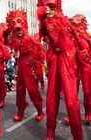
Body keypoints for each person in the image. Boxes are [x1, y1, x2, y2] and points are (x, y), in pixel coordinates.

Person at [37, 1, 83, 140]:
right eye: (46, 8)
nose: (49, 10)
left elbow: (75, 35)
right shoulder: (44, 23)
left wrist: (82, 47)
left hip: (67, 57)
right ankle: (50, 132)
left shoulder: (63, 20)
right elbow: (39, 37)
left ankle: (78, 136)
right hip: (54, 58)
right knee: (51, 97)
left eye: (51, 7)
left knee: (70, 99)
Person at [6, 10, 46, 122]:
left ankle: (40, 111)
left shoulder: (30, 38)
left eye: (20, 27)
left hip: (30, 64)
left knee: (32, 89)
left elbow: (40, 50)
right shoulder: (15, 39)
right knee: (19, 90)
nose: (18, 31)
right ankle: (20, 111)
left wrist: (37, 60)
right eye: (16, 28)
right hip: (21, 64)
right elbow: (8, 42)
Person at [63, 14, 91, 125]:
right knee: (71, 92)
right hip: (73, 64)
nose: (74, 21)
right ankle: (72, 115)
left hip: (85, 65)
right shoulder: (69, 35)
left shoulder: (87, 36)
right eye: (74, 20)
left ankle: (88, 112)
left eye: (77, 20)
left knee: (88, 91)